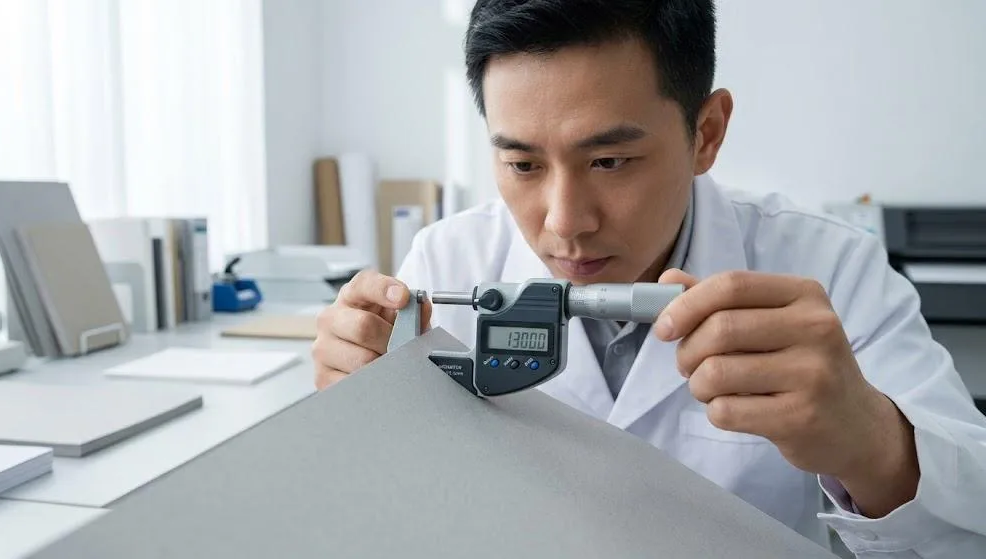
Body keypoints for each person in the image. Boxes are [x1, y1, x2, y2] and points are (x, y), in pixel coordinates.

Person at [312, 0, 986, 556]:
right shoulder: (445, 264)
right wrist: (355, 415)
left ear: (707, 131)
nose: (564, 221)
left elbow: (970, 525)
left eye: (609, 160)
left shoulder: (829, 267)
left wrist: (873, 443)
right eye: (522, 165)